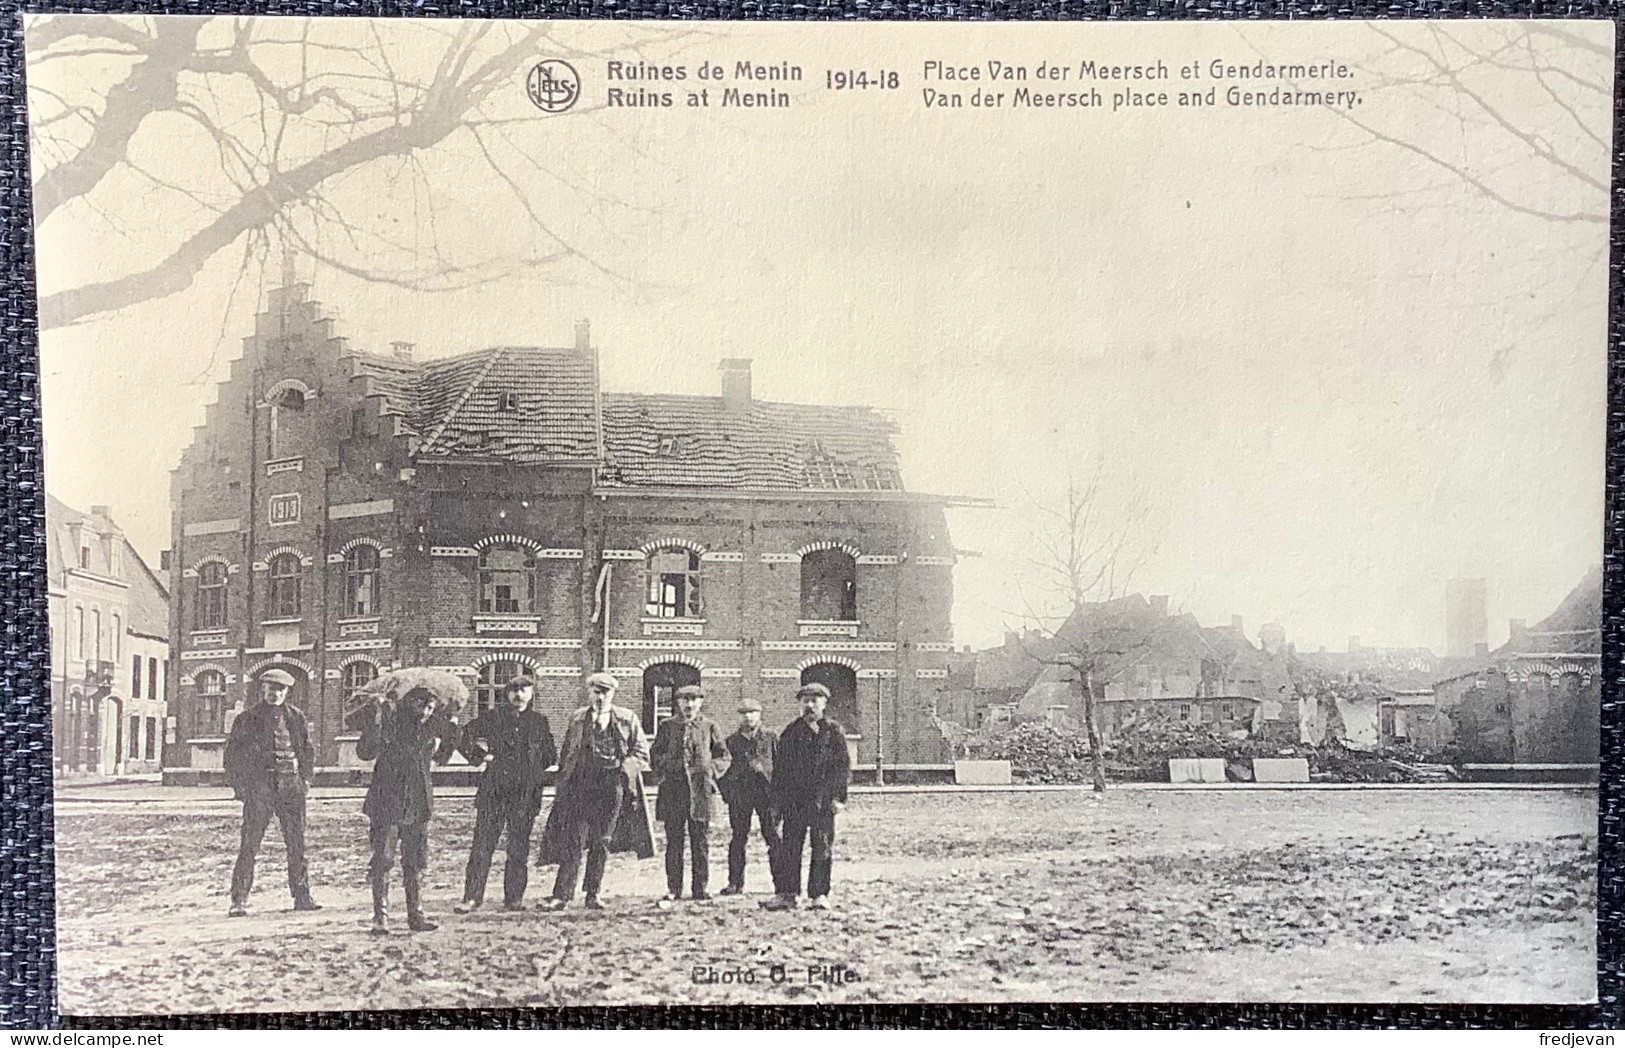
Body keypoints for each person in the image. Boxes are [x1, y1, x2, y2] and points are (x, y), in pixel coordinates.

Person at [536, 672, 654, 910]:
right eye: (596, 692)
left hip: (611, 787)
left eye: (605, 692)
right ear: (589, 693)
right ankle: (562, 895)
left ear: (613, 694)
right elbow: (568, 753)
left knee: (602, 841)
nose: (600, 697)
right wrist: (563, 781)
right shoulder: (578, 719)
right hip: (580, 787)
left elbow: (641, 753)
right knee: (573, 840)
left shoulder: (626, 718)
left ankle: (593, 893)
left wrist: (623, 771)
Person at [357, 687, 460, 934]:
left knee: (414, 862)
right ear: (408, 702)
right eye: (421, 706)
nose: (425, 712)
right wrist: (374, 722)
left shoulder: (433, 724)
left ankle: (416, 915)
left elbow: (443, 758)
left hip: (418, 801)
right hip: (387, 801)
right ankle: (380, 917)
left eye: (430, 708)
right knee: (383, 859)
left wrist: (453, 727)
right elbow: (365, 752)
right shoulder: (389, 719)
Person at [454, 676, 557, 913]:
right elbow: (462, 736)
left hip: (524, 794)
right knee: (482, 846)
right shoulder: (493, 717)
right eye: (514, 690)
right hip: (494, 792)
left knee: (518, 848)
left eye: (524, 690)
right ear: (507, 694)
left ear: (531, 694)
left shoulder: (539, 722)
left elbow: (551, 754)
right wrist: (482, 757)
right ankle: (472, 897)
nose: (519, 695)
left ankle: (514, 898)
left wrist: (530, 769)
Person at [223, 668, 320, 916]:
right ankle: (239, 900)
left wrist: (305, 780)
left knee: (297, 844)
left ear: (287, 692)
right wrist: (241, 788)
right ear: (262, 689)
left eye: (281, 689)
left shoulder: (296, 717)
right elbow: (232, 756)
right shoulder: (247, 719)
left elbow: (306, 751)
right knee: (250, 845)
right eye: (271, 688)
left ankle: (302, 896)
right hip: (261, 789)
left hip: (291, 789)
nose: (275, 693)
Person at [761, 682, 851, 912]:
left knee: (822, 847)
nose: (810, 705)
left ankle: (819, 894)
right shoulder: (791, 732)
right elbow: (780, 770)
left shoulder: (833, 732)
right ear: (800, 705)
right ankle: (788, 893)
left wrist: (839, 798)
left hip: (823, 801)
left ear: (824, 703)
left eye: (814, 701)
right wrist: (777, 804)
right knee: (790, 847)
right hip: (795, 802)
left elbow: (842, 768)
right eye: (805, 701)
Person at [649, 684, 731, 905]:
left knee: (700, 841)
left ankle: (700, 888)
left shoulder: (709, 726)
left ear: (701, 702)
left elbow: (723, 755)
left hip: (700, 791)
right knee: (674, 841)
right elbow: (655, 755)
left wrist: (710, 770)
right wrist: (669, 766)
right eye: (685, 700)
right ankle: (674, 888)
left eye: (694, 700)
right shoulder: (667, 726)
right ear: (678, 703)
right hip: (673, 791)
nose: (689, 704)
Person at [718, 696, 780, 896]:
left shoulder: (770, 738)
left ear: (760, 714)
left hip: (767, 794)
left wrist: (779, 793)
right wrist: (728, 793)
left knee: (772, 836)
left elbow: (781, 766)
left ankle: (781, 882)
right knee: (738, 838)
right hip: (741, 794)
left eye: (752, 713)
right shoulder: (731, 741)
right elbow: (723, 769)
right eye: (744, 713)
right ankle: (735, 883)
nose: (748, 717)